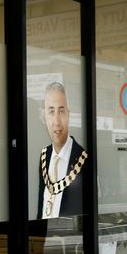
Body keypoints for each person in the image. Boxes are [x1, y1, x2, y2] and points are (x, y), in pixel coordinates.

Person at [37, 82, 88, 219]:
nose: (56, 121)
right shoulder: (44, 157)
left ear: (68, 115)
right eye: (51, 111)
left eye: (61, 111)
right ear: (44, 117)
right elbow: (41, 208)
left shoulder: (83, 160)